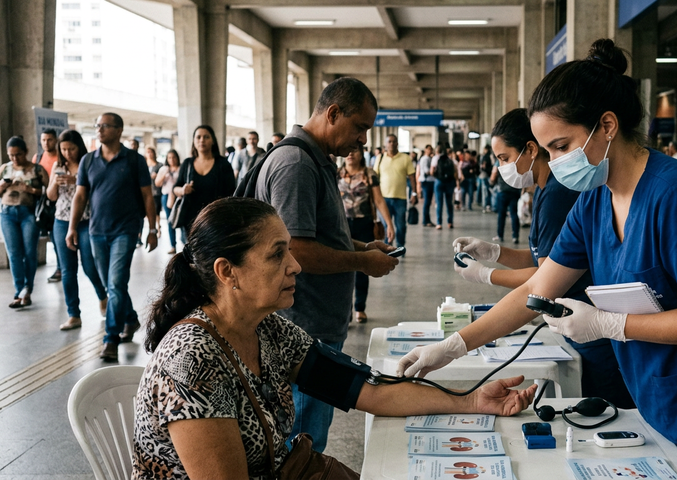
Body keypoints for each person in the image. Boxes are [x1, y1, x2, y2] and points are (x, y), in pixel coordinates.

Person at [399, 39, 677, 480]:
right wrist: (454, 346)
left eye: (560, 146)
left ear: (607, 125)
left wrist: (610, 325)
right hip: (659, 406)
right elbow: (538, 289)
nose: (554, 164)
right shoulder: (594, 203)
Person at [131, 197, 538, 479]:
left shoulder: (267, 328)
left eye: (289, 250)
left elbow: (368, 391)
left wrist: (470, 400)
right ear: (227, 271)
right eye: (277, 255)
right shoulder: (192, 360)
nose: (294, 266)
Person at [253, 77, 400, 453]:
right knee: (301, 444)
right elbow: (298, 251)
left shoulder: (315, 161)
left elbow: (320, 235)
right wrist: (362, 262)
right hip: (303, 330)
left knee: (309, 436)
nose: (364, 140)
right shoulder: (295, 165)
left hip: (317, 326)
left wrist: (365, 246)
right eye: (360, 128)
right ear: (333, 114)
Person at [451, 109, 633, 408]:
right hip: (576, 324)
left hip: (590, 327)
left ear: (530, 149)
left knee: (606, 407)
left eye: (504, 158)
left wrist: (486, 274)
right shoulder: (545, 191)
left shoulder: (560, 195)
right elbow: (546, 259)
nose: (502, 167)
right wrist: (495, 253)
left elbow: (546, 276)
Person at [67, 112, 158, 362]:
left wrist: (152, 229)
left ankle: (111, 339)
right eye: (97, 126)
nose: (99, 130)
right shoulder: (88, 161)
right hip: (97, 231)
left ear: (119, 130)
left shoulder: (134, 161)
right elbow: (80, 196)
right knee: (111, 285)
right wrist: (72, 227)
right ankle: (130, 319)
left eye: (104, 126)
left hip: (126, 231)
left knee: (116, 284)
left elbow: (148, 196)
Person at [47, 130, 107, 330]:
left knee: (90, 265)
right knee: (67, 270)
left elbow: (97, 193)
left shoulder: (88, 164)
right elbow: (51, 196)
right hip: (61, 221)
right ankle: (74, 314)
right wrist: (55, 182)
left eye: (71, 148)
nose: (67, 153)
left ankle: (103, 296)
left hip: (86, 220)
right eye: (63, 149)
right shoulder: (58, 165)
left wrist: (76, 182)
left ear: (78, 147)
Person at [338, 144, 395, 323]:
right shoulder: (336, 173)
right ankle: (345, 310)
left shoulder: (370, 174)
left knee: (363, 265)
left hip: (364, 223)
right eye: (348, 151)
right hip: (342, 224)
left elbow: (378, 199)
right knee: (343, 268)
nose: (350, 154)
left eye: (354, 150)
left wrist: (389, 224)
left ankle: (359, 308)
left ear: (361, 153)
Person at [1, 136, 49, 308]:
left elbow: (48, 192)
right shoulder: (5, 169)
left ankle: (28, 289)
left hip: (29, 212)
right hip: (7, 212)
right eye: (11, 155)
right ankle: (19, 291)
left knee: (29, 253)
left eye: (18, 154)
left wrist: (30, 189)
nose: (15, 159)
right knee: (14, 254)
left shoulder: (37, 169)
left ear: (26, 152)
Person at [173, 125, 236, 236]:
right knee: (193, 252)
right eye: (198, 137)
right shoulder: (187, 164)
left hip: (216, 221)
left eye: (206, 137)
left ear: (213, 141)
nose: (202, 140)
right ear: (194, 141)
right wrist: (183, 190)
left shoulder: (223, 164)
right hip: (191, 221)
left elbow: (232, 193)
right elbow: (176, 188)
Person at [374, 134, 418, 248]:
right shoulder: (380, 158)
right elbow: (375, 178)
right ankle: (387, 246)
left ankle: (400, 245)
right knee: (385, 225)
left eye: (394, 141)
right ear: (385, 144)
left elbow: (412, 177)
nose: (392, 144)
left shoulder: (405, 158)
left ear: (397, 143)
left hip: (400, 199)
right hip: (383, 199)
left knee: (401, 225)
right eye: (389, 141)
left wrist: (414, 193)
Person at [37, 128, 62, 282]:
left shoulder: (61, 157)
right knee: (53, 237)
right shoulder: (38, 157)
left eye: (49, 139)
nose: (46, 143)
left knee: (57, 237)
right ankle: (60, 267)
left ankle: (61, 267)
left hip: (61, 202)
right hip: (45, 202)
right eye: (43, 140)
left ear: (56, 140)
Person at [155, 149, 182, 254]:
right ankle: (173, 245)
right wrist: (163, 175)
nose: (172, 160)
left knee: (182, 219)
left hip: (179, 196)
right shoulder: (164, 169)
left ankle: (185, 242)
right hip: (167, 197)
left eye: (174, 157)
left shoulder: (181, 168)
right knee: (170, 221)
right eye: (169, 157)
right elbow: (157, 183)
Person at [489, 155, 521, 243]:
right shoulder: (515, 160)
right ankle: (515, 236)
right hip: (514, 190)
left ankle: (500, 235)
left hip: (503, 191)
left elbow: (493, 175)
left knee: (501, 215)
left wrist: (492, 182)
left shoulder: (499, 161)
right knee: (514, 214)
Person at [431, 144, 456, 230]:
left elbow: (431, 171)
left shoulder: (435, 158)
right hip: (449, 182)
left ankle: (439, 223)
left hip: (439, 182)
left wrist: (437, 176)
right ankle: (450, 222)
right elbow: (455, 171)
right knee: (449, 203)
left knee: (439, 203)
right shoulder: (450, 159)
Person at [417, 145, 436, 227]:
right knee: (427, 202)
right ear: (425, 150)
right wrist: (434, 171)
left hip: (429, 181)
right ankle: (425, 220)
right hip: (427, 181)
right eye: (428, 149)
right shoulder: (425, 159)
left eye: (431, 149)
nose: (430, 150)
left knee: (427, 202)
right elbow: (426, 171)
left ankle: (427, 219)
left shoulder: (429, 158)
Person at [477, 145, 493, 212]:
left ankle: (485, 205)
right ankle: (488, 205)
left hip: (484, 175)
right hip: (489, 175)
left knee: (485, 192)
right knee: (488, 191)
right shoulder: (490, 156)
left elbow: (483, 166)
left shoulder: (485, 156)